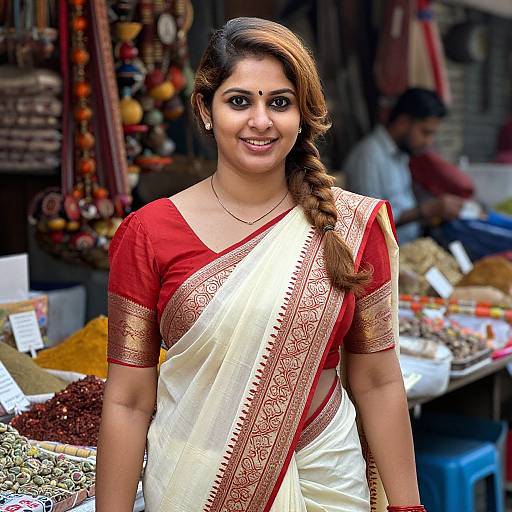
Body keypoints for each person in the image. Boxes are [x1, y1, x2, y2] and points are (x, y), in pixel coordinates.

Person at [97, 17, 426, 512]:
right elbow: (127, 400)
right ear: (206, 110)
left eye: (279, 102)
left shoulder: (354, 229)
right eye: (238, 101)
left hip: (327, 481)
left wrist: (407, 506)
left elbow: (378, 380)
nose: (261, 121)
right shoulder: (147, 235)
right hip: (196, 482)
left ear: (302, 114)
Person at [344, 88, 464, 244]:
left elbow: (401, 206)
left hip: (410, 247)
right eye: (425, 132)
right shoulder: (368, 156)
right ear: (403, 122)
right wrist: (426, 210)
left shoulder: (401, 153)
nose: (429, 142)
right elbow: (370, 222)